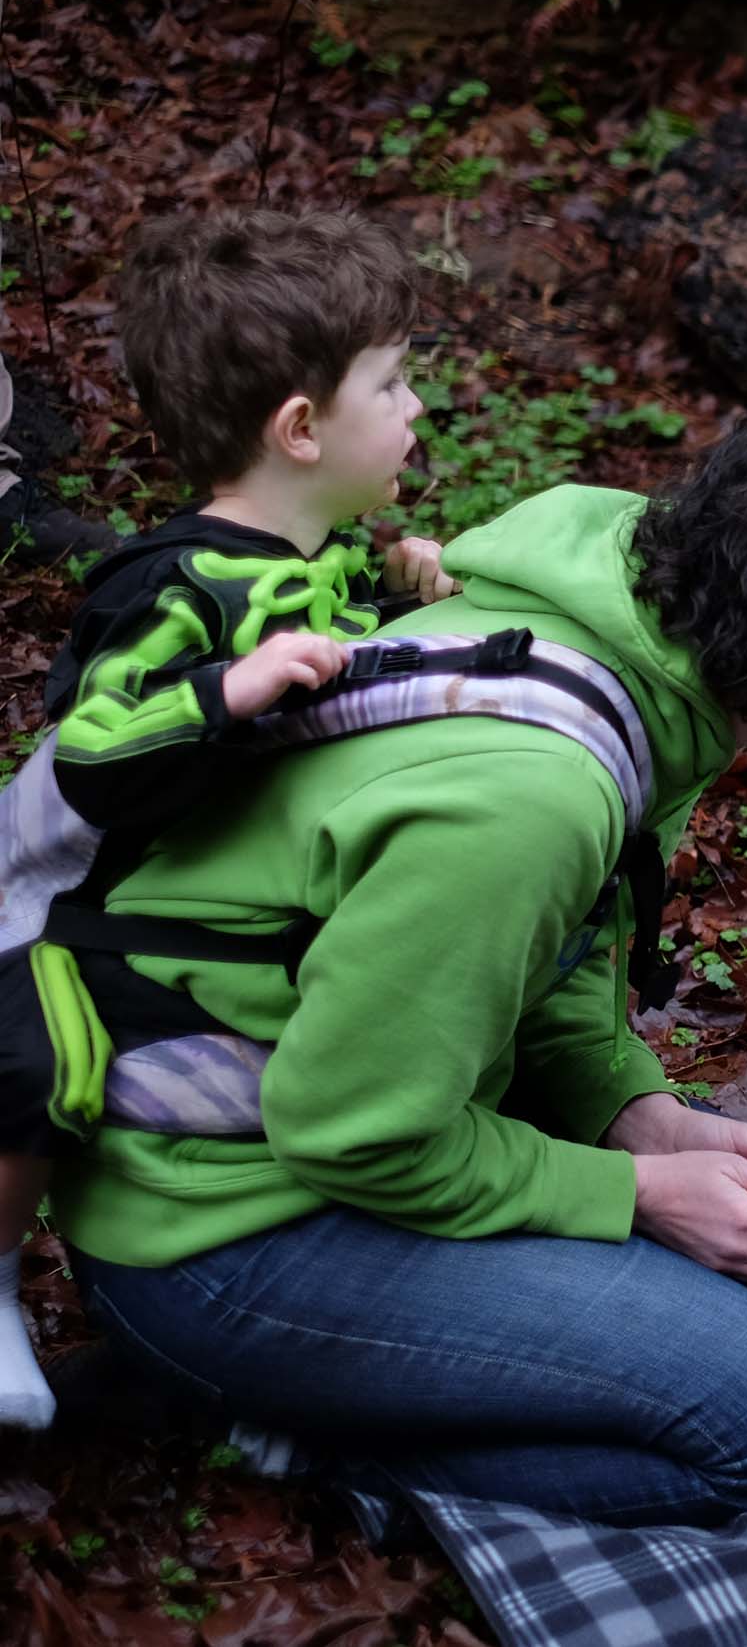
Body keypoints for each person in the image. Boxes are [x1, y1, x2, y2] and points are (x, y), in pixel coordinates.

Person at [40, 385, 747, 1524]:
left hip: (287, 1123)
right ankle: (287, 1438)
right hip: (216, 1234)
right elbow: (358, 1131)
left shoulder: (626, 624)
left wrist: (628, 1107)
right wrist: (637, 1194)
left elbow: (546, 954)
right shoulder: (530, 796)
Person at [1, 209, 453, 1430]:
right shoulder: (174, 586)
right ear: (301, 429)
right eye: (394, 384)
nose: (417, 408)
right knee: (42, 1077)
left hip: (175, 897)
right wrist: (225, 690)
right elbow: (95, 748)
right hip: (48, 905)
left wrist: (395, 571)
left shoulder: (307, 555)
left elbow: (326, 609)